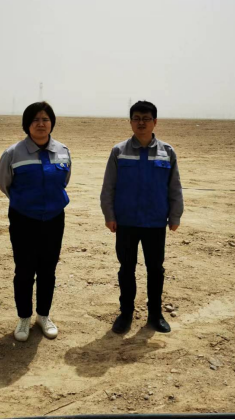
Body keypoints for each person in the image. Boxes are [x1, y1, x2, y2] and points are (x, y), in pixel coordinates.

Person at [100, 100, 184, 334]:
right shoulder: (119, 151)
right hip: (126, 221)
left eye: (146, 119)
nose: (141, 123)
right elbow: (109, 186)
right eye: (136, 119)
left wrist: (175, 216)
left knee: (155, 269)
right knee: (126, 268)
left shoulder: (167, 152)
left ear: (155, 122)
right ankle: (125, 313)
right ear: (130, 122)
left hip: (155, 222)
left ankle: (155, 315)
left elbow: (174, 187)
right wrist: (109, 215)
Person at [0, 102, 71, 342]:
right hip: (23, 219)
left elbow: (64, 180)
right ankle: (24, 318)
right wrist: (25, 202)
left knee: (48, 269)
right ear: (27, 125)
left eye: (45, 119)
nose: (41, 124)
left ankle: (43, 316)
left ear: (52, 123)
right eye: (35, 119)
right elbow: (4, 183)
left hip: (54, 218)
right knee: (24, 270)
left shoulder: (63, 151)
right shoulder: (13, 153)